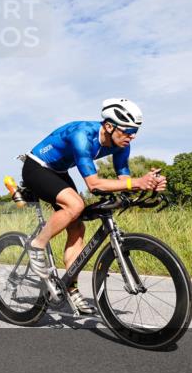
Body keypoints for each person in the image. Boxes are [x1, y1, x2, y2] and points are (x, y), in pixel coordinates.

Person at [22, 98, 167, 314]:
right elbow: (93, 184)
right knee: (75, 205)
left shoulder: (121, 145)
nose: (132, 135)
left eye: (135, 131)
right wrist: (137, 182)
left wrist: (149, 185)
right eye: (128, 130)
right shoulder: (83, 136)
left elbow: (123, 181)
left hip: (60, 172)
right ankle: (36, 245)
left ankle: (70, 288)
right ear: (109, 126)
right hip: (37, 167)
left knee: (78, 228)